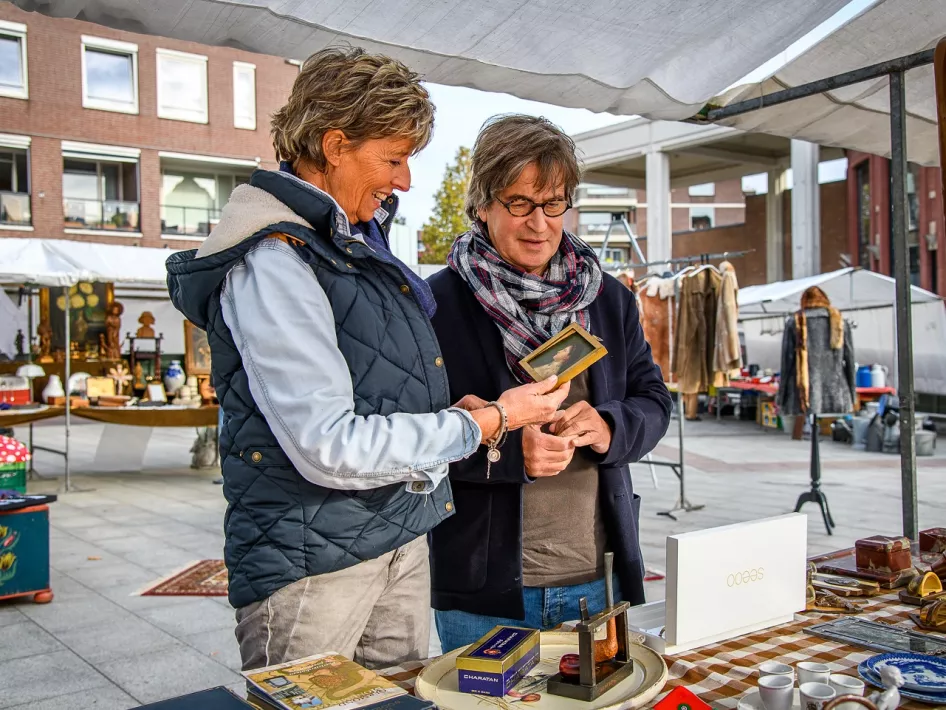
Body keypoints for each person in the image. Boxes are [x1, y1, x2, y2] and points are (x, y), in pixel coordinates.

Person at [167, 51, 568, 671]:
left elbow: (372, 389)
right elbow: (328, 444)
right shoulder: (274, 260)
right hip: (315, 567)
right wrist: (485, 422)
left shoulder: (348, 242)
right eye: (393, 158)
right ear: (334, 146)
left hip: (393, 537)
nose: (404, 181)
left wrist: (447, 411)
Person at [427, 115, 673, 652]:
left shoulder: (607, 297)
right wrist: (506, 451)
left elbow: (654, 400)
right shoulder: (435, 305)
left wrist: (609, 426)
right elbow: (411, 440)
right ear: (482, 204)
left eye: (554, 203)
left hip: (598, 581)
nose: (539, 223)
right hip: (482, 593)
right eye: (519, 203)